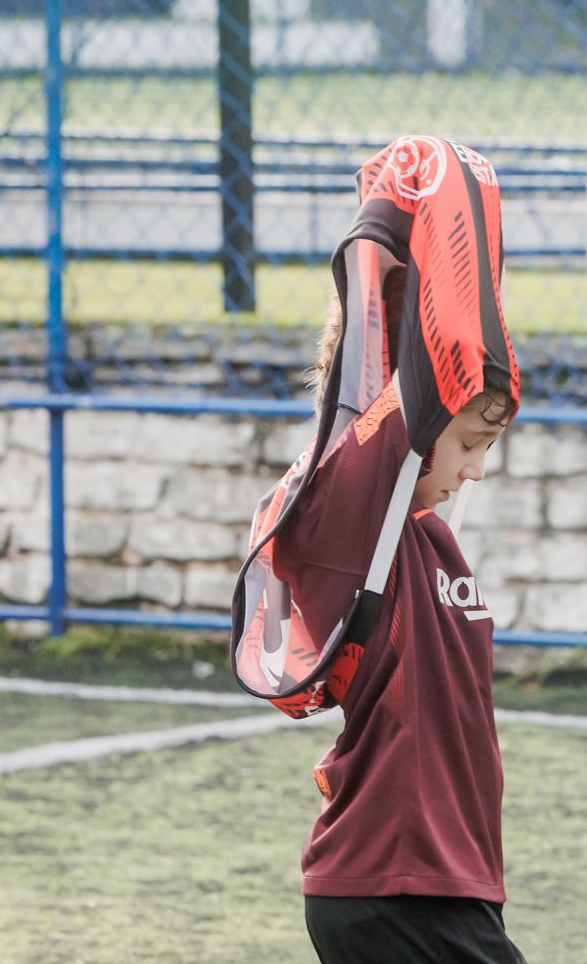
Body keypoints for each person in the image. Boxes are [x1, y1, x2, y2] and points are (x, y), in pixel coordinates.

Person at [230, 136, 524, 964]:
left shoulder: (425, 539)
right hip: (392, 887)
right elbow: (410, 383)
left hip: (443, 883)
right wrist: (397, 222)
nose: (470, 471)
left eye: (486, 450)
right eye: (464, 443)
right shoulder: (346, 521)